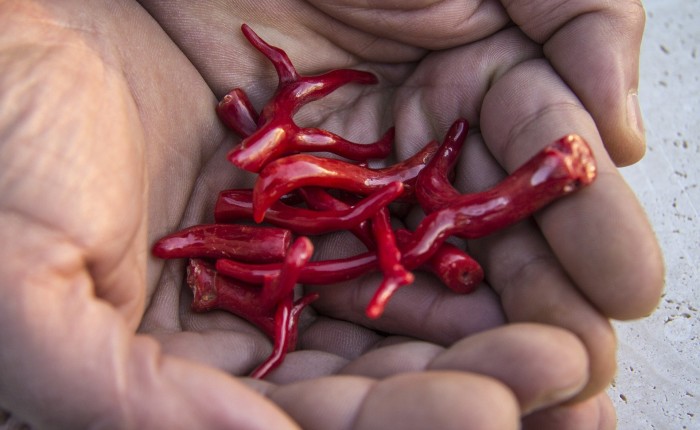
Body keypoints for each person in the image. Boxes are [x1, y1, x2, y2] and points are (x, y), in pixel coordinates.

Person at [0, 0, 664, 428]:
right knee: (387, 184)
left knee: (393, 189)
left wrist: (390, 230)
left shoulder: (406, 199)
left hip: (346, 193)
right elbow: (398, 194)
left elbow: (404, 200)